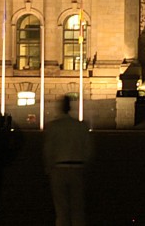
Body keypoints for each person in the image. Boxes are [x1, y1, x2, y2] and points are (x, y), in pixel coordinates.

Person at [44, 96, 92, 225]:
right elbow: (88, 149)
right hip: (77, 168)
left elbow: (49, 150)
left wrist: (48, 168)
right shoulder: (80, 126)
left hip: (59, 169)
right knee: (77, 209)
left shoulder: (53, 127)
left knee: (61, 211)